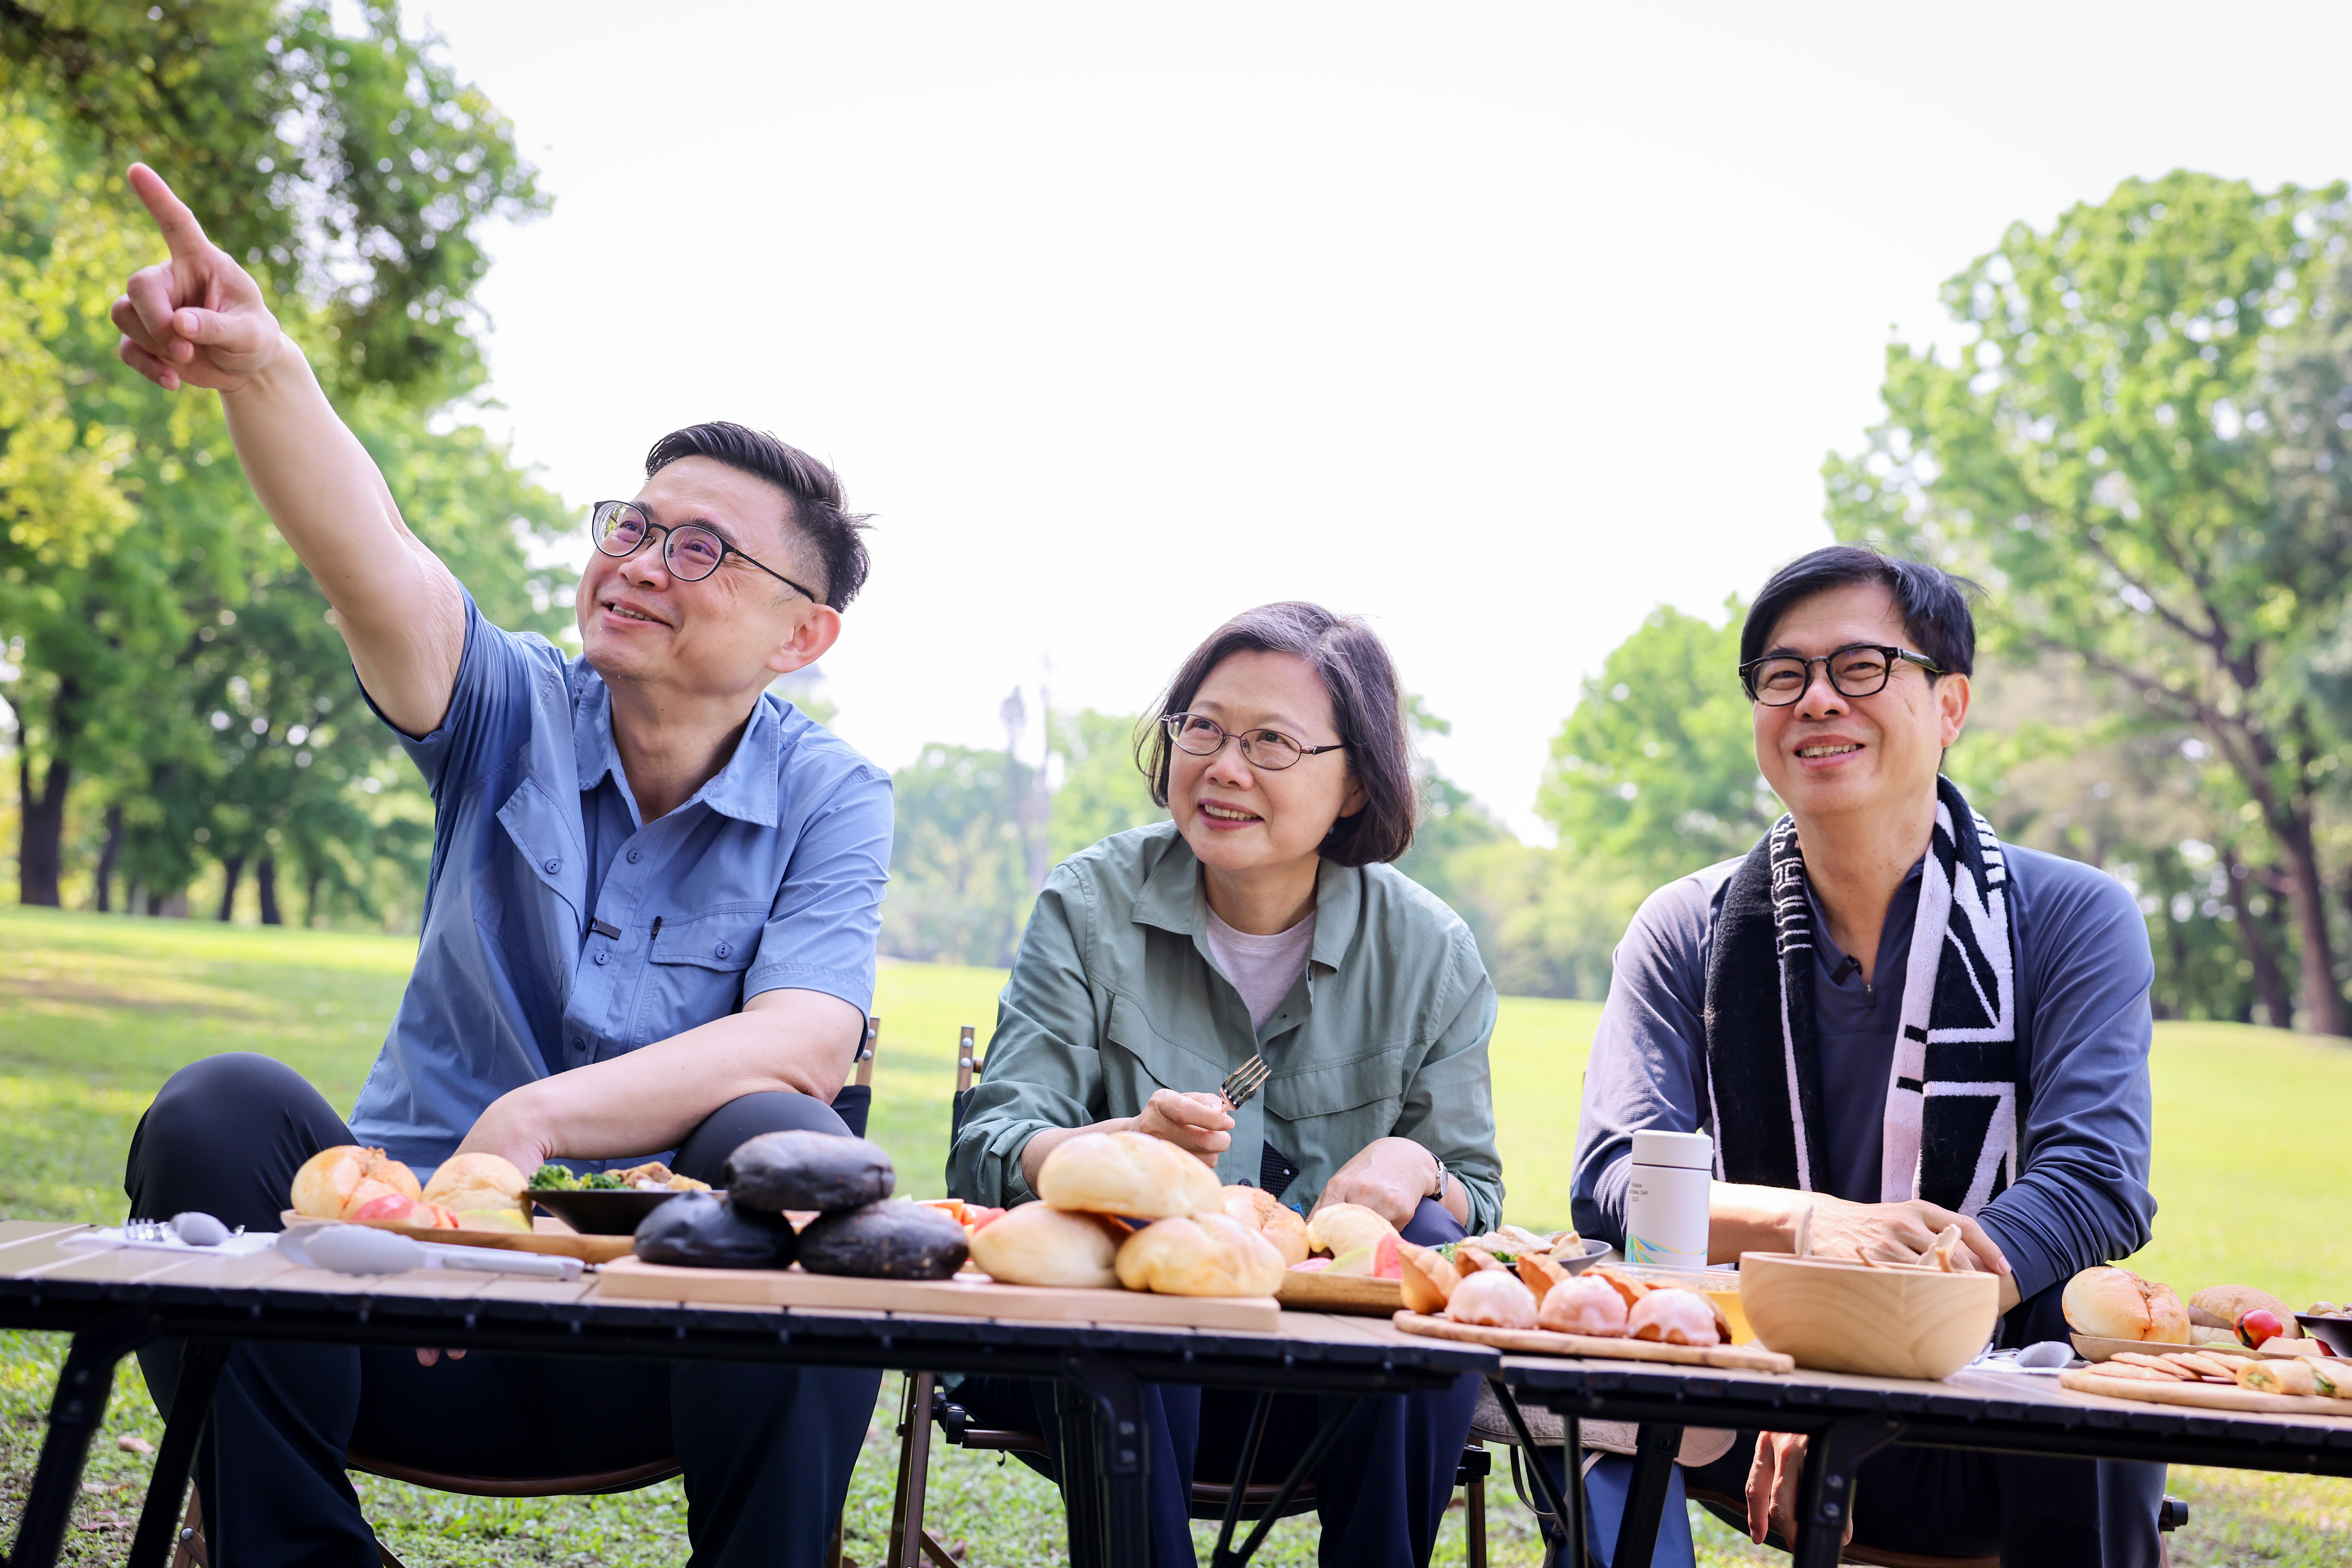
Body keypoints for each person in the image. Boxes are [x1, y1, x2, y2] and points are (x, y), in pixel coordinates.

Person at [109, 164, 890, 1568]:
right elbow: (376, 562)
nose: (641, 560)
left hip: (664, 1329)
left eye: (701, 546)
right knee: (215, 1108)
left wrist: (535, 1121)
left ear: (801, 636)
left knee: (795, 1147)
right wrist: (264, 366)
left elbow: (805, 1039)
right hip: (395, 1308)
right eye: (634, 525)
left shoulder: (833, 795)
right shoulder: (509, 704)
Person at [1567, 545, 2164, 1567]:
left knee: (2096, 1408)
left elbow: (2096, 1182)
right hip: (1748, 1366)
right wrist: (1813, 1236)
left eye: (1861, 668)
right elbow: (1620, 1180)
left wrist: (1865, 1338)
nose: (1816, 702)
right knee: (1594, 1377)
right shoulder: (1689, 927)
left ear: (1951, 704)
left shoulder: (2073, 916)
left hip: (1989, 1375)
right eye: (1783, 676)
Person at [948, 602, 1502, 1568]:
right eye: (1202, 727)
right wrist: (1106, 1154)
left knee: (1429, 1249)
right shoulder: (1089, 905)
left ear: (1357, 784)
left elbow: (1478, 1205)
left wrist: (1415, 1164)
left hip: (1330, 1391)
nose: (1223, 766)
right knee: (1150, 1255)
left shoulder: (1430, 953)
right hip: (1103, 1366)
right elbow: (992, 1137)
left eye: (1271, 743)